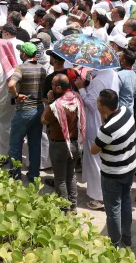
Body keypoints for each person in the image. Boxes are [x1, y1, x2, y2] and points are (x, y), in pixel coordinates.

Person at [91, 89, 136, 247]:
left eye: (98, 103)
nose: (96, 104)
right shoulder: (126, 111)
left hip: (113, 174)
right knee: (125, 201)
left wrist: (102, 120)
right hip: (130, 167)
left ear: (104, 107)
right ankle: (127, 236)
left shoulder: (107, 130)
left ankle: (115, 243)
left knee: (113, 210)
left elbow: (94, 149)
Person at [76, 64, 119, 210]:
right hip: (106, 121)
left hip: (95, 123)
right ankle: (101, 193)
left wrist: (81, 88)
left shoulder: (99, 80)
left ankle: (99, 197)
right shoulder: (112, 74)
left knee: (95, 161)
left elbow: (91, 104)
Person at [41, 74, 85, 213]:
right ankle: (73, 206)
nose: (51, 87)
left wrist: (49, 101)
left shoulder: (56, 105)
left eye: (53, 85)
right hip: (75, 143)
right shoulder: (77, 97)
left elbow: (43, 120)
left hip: (59, 146)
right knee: (70, 175)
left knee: (60, 179)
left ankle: (63, 209)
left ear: (58, 88)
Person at [7, 42, 47, 182]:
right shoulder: (42, 69)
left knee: (15, 143)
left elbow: (11, 84)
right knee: (35, 145)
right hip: (38, 110)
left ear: (24, 54)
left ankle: (15, 174)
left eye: (21, 51)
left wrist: (16, 95)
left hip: (24, 110)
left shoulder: (21, 68)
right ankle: (34, 175)